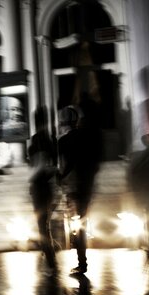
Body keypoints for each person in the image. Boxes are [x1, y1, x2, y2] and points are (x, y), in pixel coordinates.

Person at [57, 102, 101, 275]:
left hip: (73, 188)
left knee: (76, 226)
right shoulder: (86, 137)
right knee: (81, 223)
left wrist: (61, 178)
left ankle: (82, 262)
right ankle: (82, 262)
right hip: (86, 186)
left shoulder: (63, 141)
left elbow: (65, 165)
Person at [28, 106, 58, 274]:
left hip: (38, 186)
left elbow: (33, 165)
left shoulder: (36, 141)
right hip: (46, 186)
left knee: (42, 225)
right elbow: (54, 165)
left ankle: (50, 260)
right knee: (45, 224)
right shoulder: (49, 140)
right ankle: (50, 256)